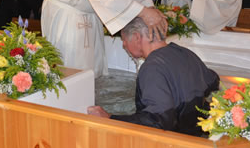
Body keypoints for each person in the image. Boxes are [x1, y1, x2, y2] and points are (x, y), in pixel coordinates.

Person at [87, 16, 220, 136]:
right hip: (198, 135)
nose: (124, 45)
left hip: (174, 144)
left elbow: (158, 120)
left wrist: (110, 118)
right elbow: (213, 80)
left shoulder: (152, 68)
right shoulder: (185, 53)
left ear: (137, 37)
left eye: (124, 39)